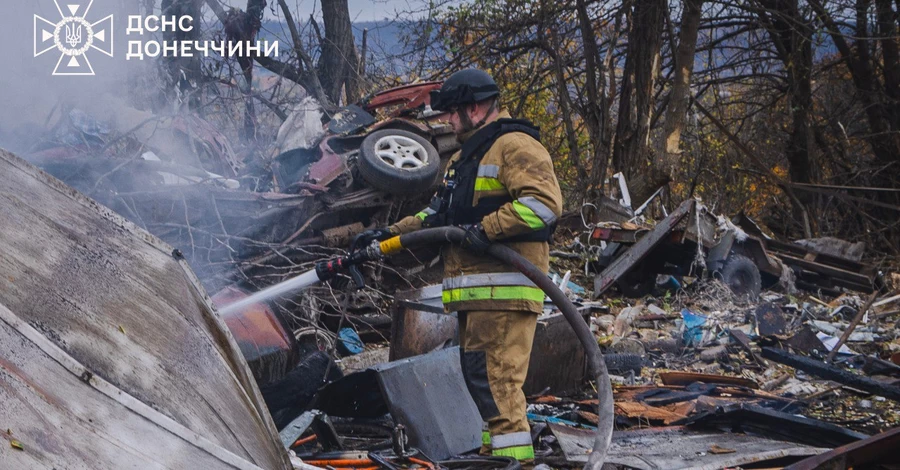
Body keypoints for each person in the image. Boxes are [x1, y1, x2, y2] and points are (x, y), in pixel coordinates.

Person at [362, 69, 562, 461]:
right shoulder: (464, 159)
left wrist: (485, 229)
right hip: (478, 295)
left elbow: (545, 205)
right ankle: (498, 459)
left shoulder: (515, 145)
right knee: (483, 384)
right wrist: (382, 238)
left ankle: (513, 463)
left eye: (453, 112)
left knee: (498, 384)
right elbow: (433, 219)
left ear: (475, 106)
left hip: (506, 289)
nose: (449, 122)